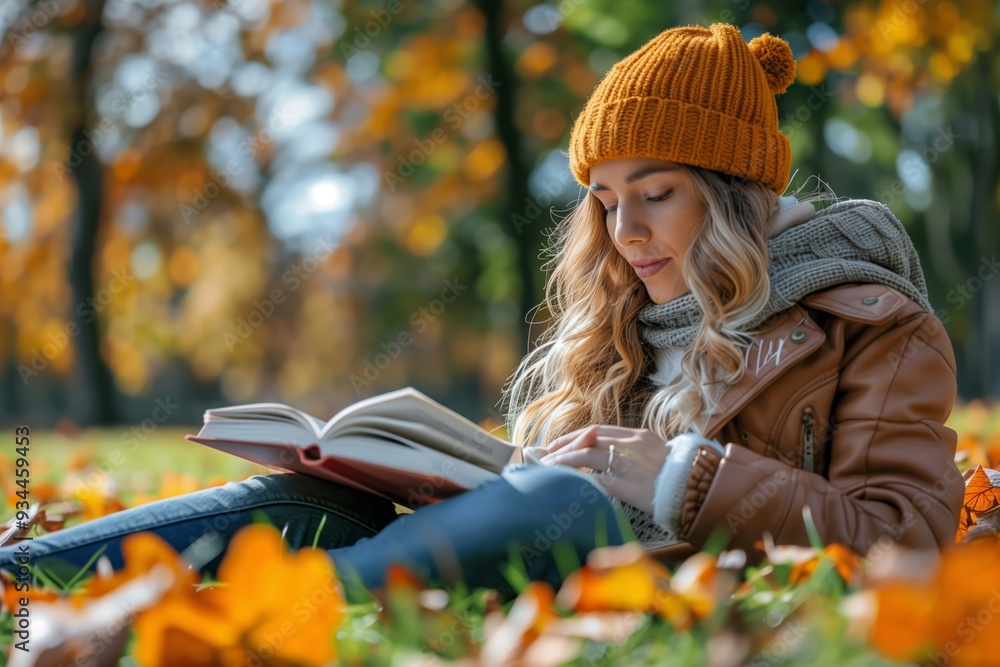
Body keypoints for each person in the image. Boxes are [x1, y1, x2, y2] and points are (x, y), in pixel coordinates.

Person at [0, 21, 963, 601]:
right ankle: (27, 577)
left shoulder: (870, 323)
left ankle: (278, 607)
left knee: (563, 497)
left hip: (651, 564)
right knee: (317, 496)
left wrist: (682, 473)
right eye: (603, 197)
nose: (624, 229)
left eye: (657, 191)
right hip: (545, 543)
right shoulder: (623, 320)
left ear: (737, 190)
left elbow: (911, 532)